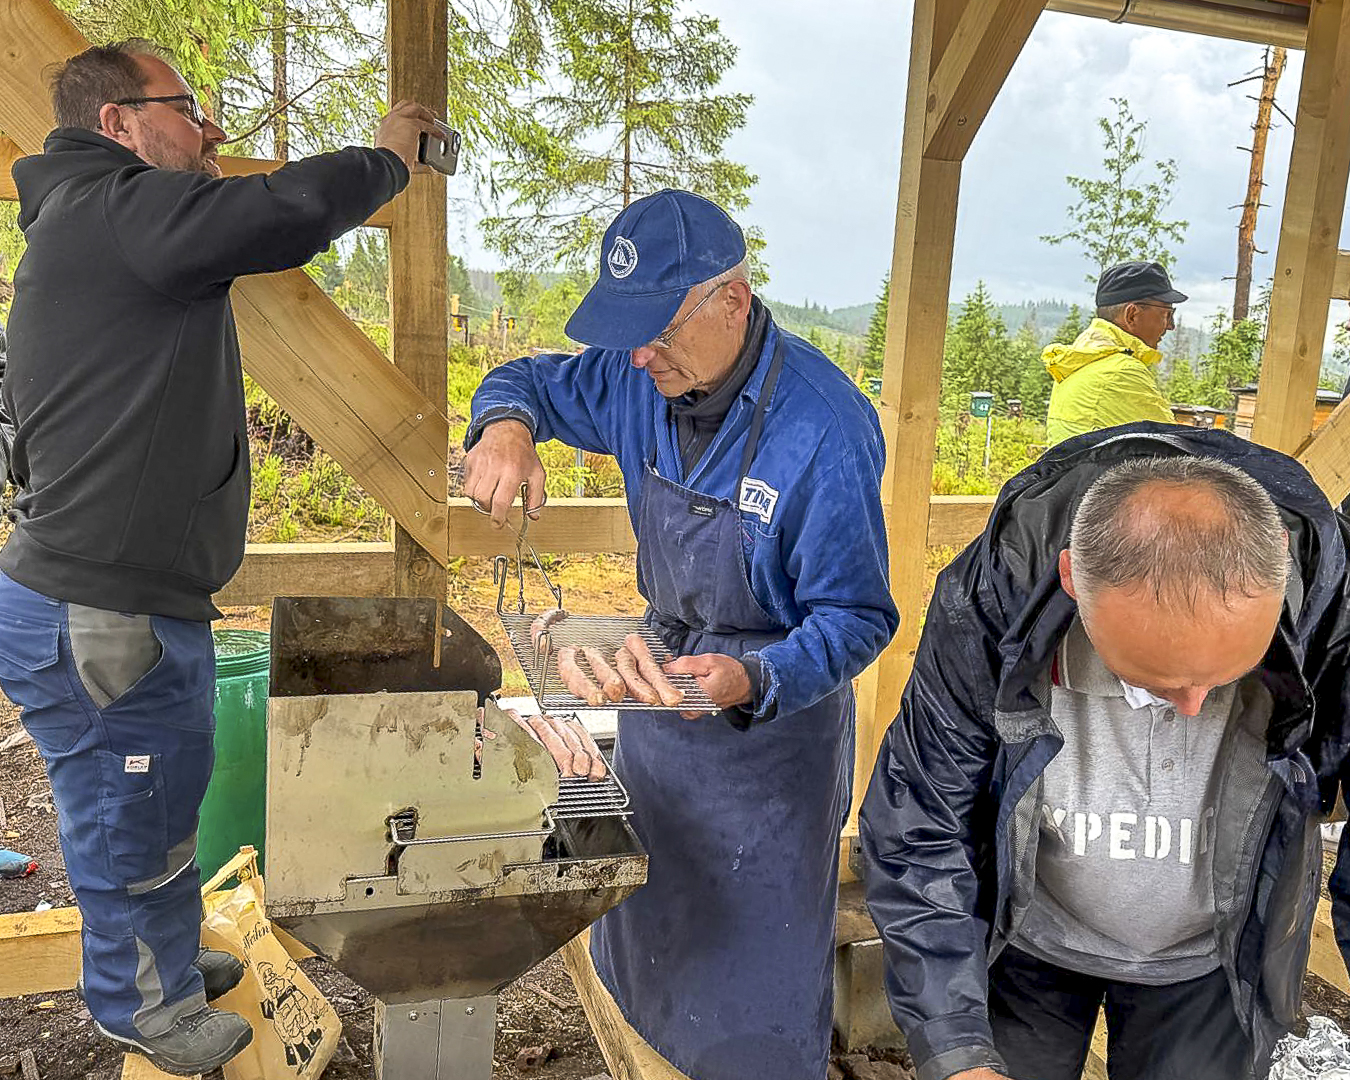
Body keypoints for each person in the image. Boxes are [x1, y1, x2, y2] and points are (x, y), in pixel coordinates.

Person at [0, 39, 438, 1074]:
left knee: (152, 795)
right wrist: (389, 158)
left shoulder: (92, 224)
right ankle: (138, 1004)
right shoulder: (118, 208)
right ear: (117, 122)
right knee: (129, 807)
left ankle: (155, 955)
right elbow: (281, 210)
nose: (212, 131)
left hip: (109, 600)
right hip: (104, 609)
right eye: (190, 108)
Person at [462, 188, 898, 1080]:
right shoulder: (635, 377)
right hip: (659, 703)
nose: (637, 353)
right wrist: (504, 427)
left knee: (750, 988)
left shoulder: (824, 428)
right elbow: (527, 382)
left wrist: (753, 680)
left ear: (732, 300)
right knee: (654, 934)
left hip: (773, 743)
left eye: (657, 329)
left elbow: (858, 618)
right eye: (627, 329)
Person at [859, 422, 1350, 1080]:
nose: (1192, 707)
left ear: (1280, 564)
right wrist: (954, 1044)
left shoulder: (1330, 607)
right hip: (1022, 941)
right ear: (1072, 577)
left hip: (1217, 965)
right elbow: (921, 820)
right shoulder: (993, 600)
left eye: (1226, 677)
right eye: (1153, 680)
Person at [1043, 260, 1187, 445]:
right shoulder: (1121, 371)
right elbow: (1175, 447)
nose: (1171, 326)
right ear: (1132, 315)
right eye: (1167, 314)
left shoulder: (1080, 360)